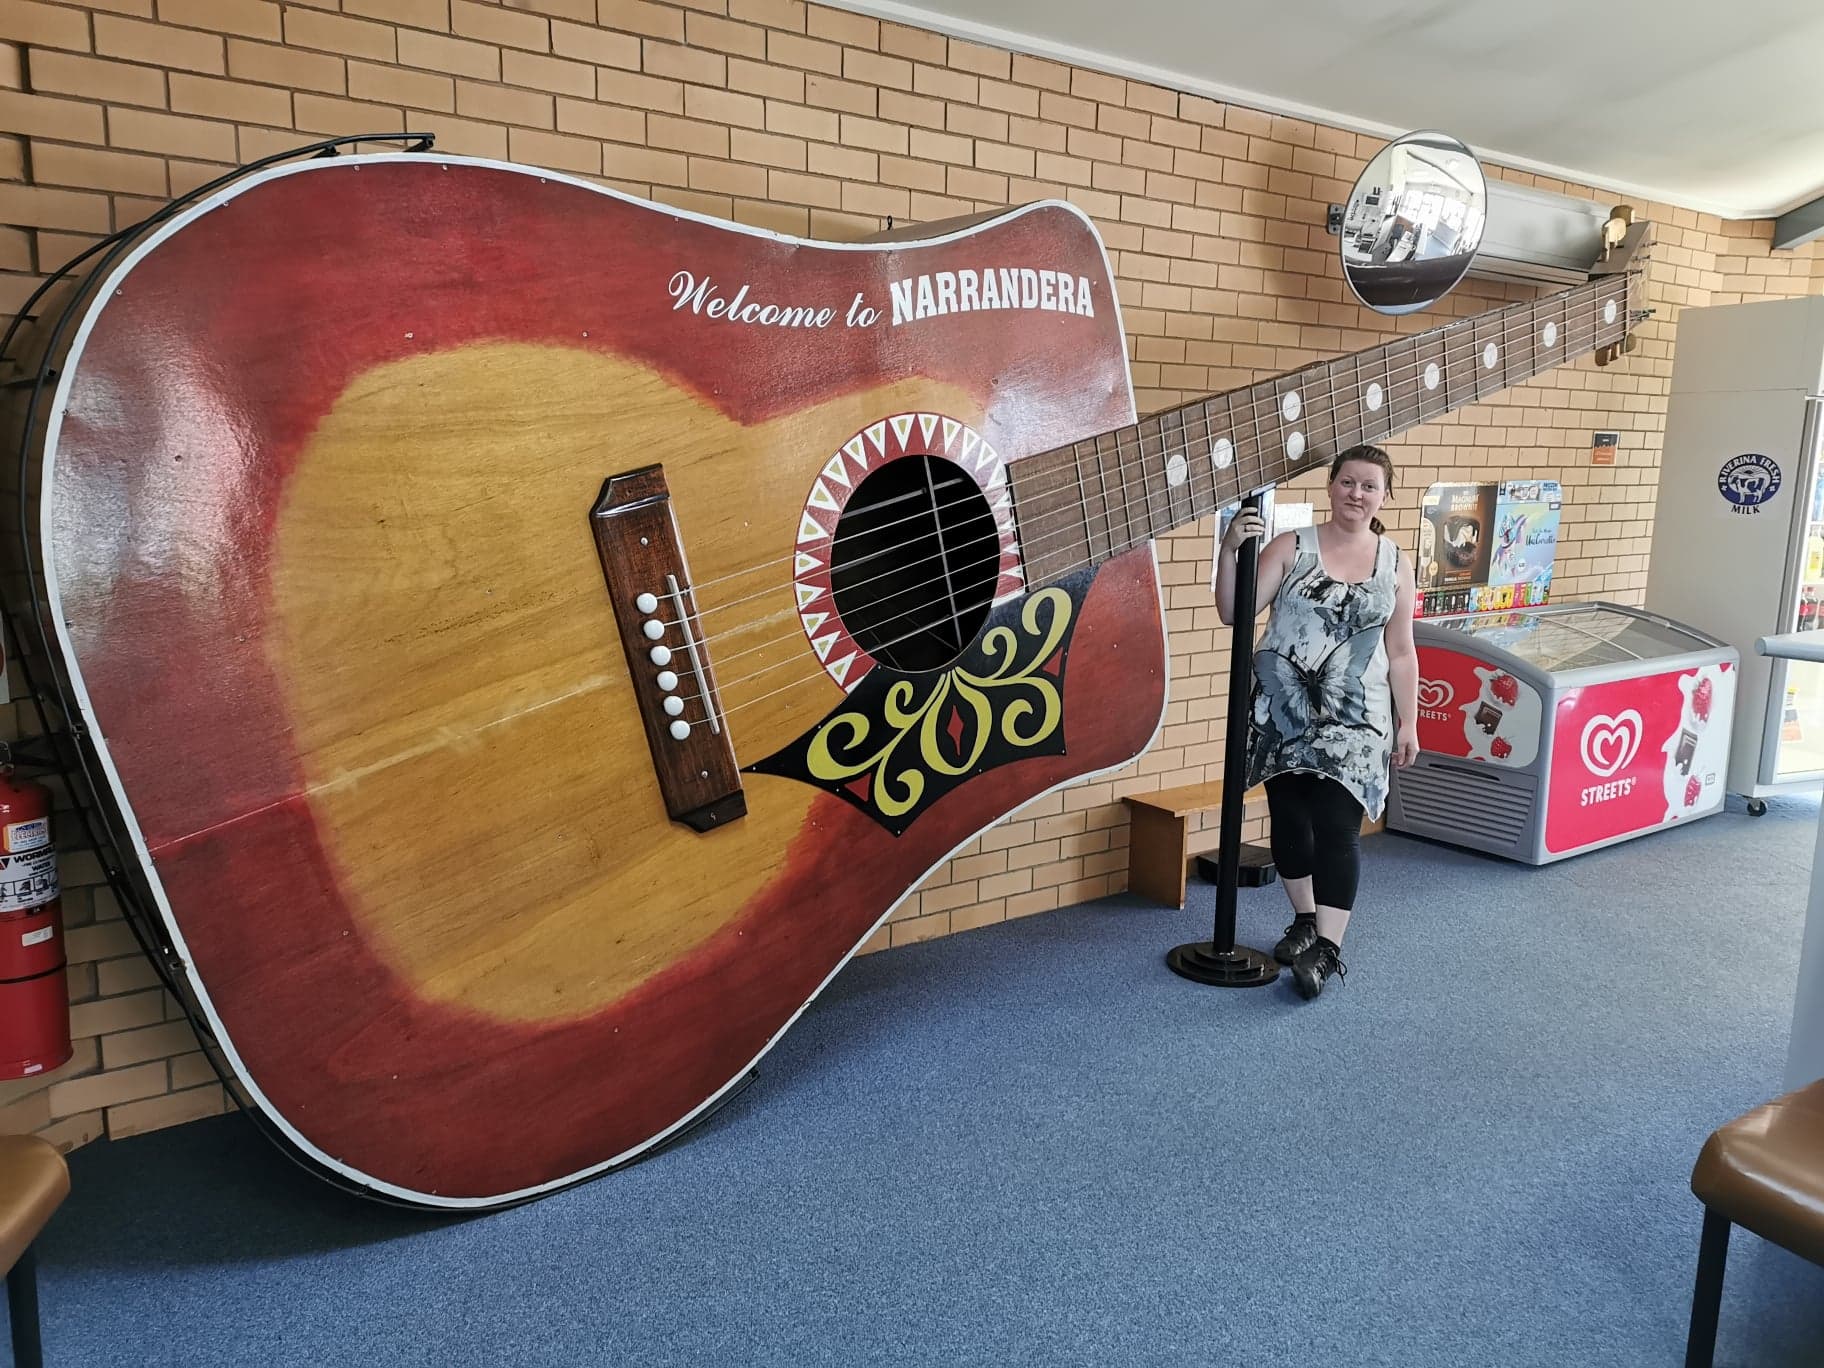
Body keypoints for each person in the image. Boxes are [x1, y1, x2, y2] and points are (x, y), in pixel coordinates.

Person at [1214, 446, 1419, 999]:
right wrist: (1230, 550)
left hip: (1357, 718)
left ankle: (1328, 949)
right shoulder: (1291, 546)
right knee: (1289, 820)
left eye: (1369, 486)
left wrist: (1409, 722)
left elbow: (1401, 652)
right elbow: (1236, 613)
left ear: (1383, 496)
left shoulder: (1395, 563)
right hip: (1283, 707)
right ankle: (1304, 918)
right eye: (1347, 482)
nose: (1357, 493)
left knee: (1337, 826)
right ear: (1331, 487)